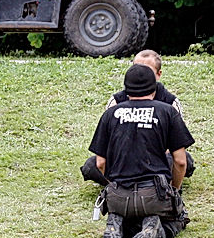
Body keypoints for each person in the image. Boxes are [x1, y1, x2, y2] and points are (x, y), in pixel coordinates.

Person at [89, 63, 194, 238]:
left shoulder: (110, 114)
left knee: (129, 212)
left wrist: (113, 185)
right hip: (154, 194)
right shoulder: (167, 111)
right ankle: (155, 229)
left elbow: (99, 163)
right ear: (155, 87)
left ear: (126, 89)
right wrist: (175, 190)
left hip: (118, 196)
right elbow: (180, 161)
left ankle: (118, 221)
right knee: (178, 218)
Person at [81, 50, 193, 186]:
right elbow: (106, 146)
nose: (141, 74)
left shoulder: (170, 103)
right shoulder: (116, 101)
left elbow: (177, 146)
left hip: (157, 158)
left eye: (147, 71)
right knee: (91, 166)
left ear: (158, 75)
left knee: (184, 159)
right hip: (123, 159)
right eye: (136, 68)